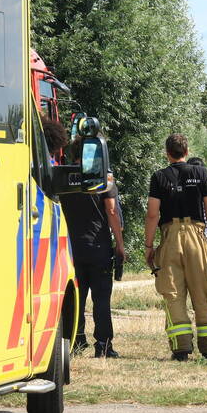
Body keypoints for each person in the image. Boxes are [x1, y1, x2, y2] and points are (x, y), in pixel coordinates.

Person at [144, 134, 207, 362]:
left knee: (173, 294)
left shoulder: (158, 177)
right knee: (204, 290)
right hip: (196, 235)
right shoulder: (200, 173)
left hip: (170, 237)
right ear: (187, 150)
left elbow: (153, 214)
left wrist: (149, 246)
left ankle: (181, 349)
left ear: (167, 153)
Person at [60, 138, 126, 358]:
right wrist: (120, 244)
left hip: (69, 248)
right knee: (101, 298)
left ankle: (76, 342)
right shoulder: (103, 178)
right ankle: (103, 345)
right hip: (98, 246)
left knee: (74, 298)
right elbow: (112, 211)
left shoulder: (63, 176)